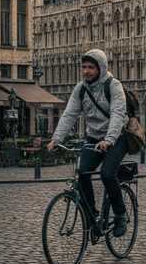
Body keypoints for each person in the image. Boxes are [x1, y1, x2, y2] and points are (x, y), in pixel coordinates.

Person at [48, 49, 129, 237]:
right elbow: (69, 114)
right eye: (83, 67)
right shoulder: (81, 88)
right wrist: (56, 139)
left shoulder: (113, 86)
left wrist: (109, 140)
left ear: (100, 68)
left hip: (117, 138)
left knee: (107, 174)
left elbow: (117, 114)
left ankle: (120, 215)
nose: (86, 71)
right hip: (93, 137)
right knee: (82, 172)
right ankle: (92, 214)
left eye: (90, 67)